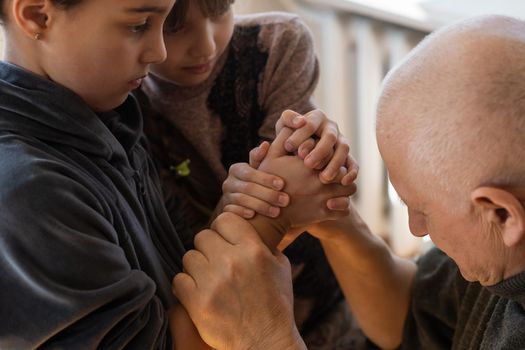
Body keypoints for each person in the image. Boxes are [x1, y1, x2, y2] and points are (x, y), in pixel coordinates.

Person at [0, 0, 355, 348]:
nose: (159, 52)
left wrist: (241, 205)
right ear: (37, 15)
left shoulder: (109, 117)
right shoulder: (29, 190)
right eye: (139, 25)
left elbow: (182, 273)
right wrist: (272, 214)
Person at [172, 15, 525, 350]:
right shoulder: (499, 253)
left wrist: (265, 337)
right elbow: (410, 315)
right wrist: (337, 219)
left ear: (504, 215)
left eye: (421, 210)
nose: (417, 230)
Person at [137, 0, 360, 346]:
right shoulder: (126, 103)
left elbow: (299, 185)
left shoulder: (274, 45)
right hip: (221, 327)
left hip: (323, 294)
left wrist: (243, 207)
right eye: (174, 27)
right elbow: (196, 265)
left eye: (219, 13)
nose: (207, 45)